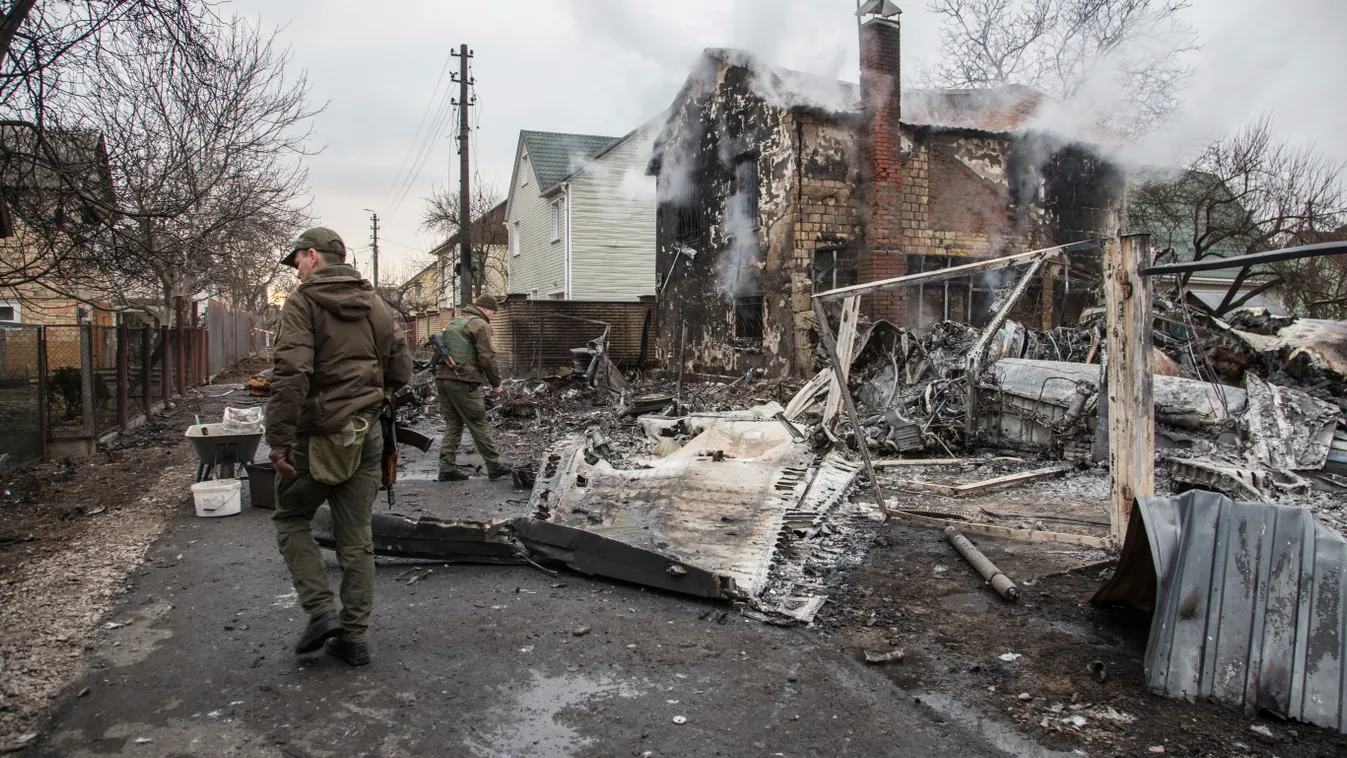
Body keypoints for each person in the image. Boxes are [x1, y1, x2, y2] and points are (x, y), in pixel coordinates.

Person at [265, 227, 412, 667]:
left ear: (313, 256)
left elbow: (292, 373)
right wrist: (371, 394)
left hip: (318, 435)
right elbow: (401, 369)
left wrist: (278, 439)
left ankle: (320, 611)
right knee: (357, 536)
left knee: (291, 518)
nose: (296, 270)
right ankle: (354, 638)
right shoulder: (375, 304)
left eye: (297, 261)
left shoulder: (302, 303)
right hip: (367, 432)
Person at [435, 293, 512, 481]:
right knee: (478, 422)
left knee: (453, 423)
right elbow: (487, 357)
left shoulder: (456, 322)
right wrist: (496, 384)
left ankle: (446, 468)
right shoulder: (480, 324)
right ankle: (494, 465)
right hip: (463, 380)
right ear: (486, 309)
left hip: (443, 377)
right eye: (493, 312)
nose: (492, 316)